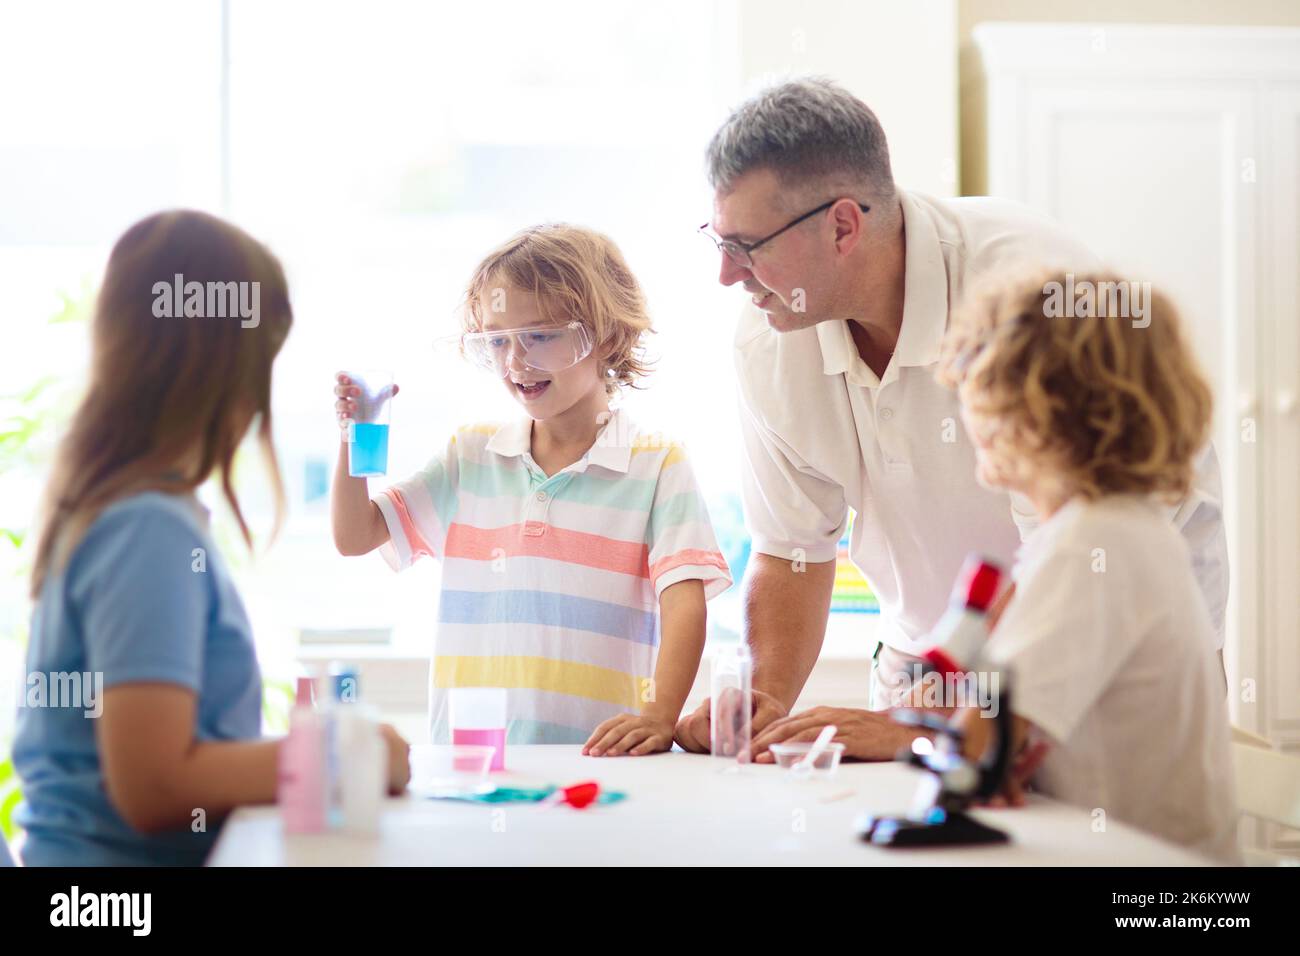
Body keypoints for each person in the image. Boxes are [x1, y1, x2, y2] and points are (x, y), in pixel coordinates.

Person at [677, 77, 1229, 759]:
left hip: (1110, 664)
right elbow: (793, 551)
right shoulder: (767, 340)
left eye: (748, 245)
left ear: (843, 225)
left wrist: (922, 727)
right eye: (718, 242)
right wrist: (763, 704)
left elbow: (1074, 576)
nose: (728, 276)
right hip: (936, 673)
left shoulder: (1029, 293)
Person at [14, 210, 410, 866]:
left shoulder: (117, 504)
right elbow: (157, 785)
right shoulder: (147, 527)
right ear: (224, 370)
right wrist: (351, 753)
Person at [331, 223, 731, 753]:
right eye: (497, 340)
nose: (516, 361)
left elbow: (686, 608)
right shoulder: (470, 457)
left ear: (605, 337)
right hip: (474, 761)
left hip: (600, 763)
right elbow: (356, 535)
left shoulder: (657, 466)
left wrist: (659, 716)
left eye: (541, 336)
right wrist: (352, 437)